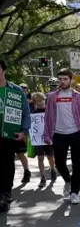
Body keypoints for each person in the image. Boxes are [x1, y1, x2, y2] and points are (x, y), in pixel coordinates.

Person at [43, 68, 80, 205]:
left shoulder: (79, 97)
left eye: (65, 79)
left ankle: (74, 192)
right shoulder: (52, 97)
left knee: (77, 164)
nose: (62, 81)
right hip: (58, 134)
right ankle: (68, 180)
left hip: (76, 133)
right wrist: (47, 134)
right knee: (59, 164)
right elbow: (48, 117)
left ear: (71, 80)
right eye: (60, 79)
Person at [0, 60, 31, 212]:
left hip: (9, 135)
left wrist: (24, 131)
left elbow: (26, 114)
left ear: (4, 71)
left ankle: (5, 193)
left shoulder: (16, 91)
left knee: (6, 164)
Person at [30, 92, 57, 188]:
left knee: (50, 157)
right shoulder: (33, 115)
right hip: (38, 140)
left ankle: (53, 169)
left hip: (49, 138)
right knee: (40, 158)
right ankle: (42, 178)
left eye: (42, 100)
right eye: (38, 101)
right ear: (35, 103)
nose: (41, 102)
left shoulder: (49, 111)